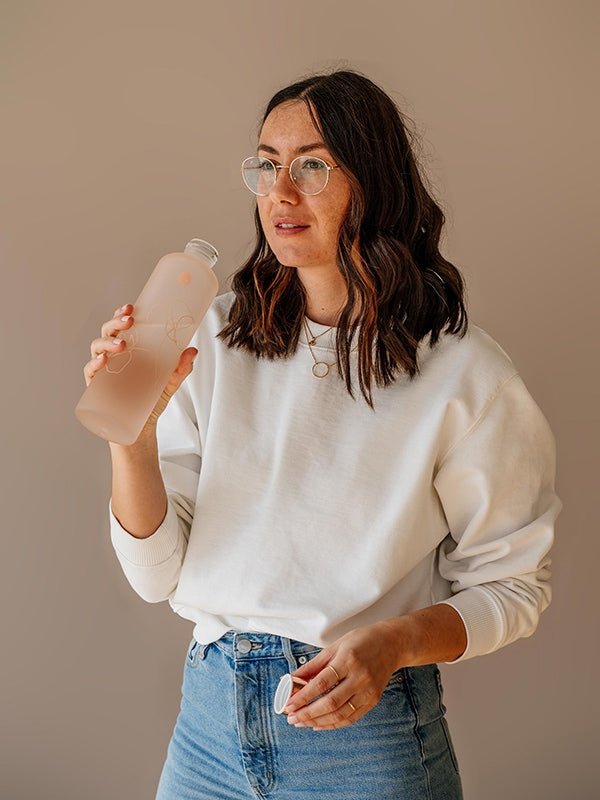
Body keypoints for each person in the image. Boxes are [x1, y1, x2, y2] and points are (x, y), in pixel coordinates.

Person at [84, 70, 560, 799]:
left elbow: (513, 587)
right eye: (266, 164)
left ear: (372, 181)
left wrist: (395, 642)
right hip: (209, 731)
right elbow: (156, 578)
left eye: (311, 163)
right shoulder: (208, 336)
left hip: (361, 740)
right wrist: (132, 439)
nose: (280, 190)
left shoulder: (466, 376)